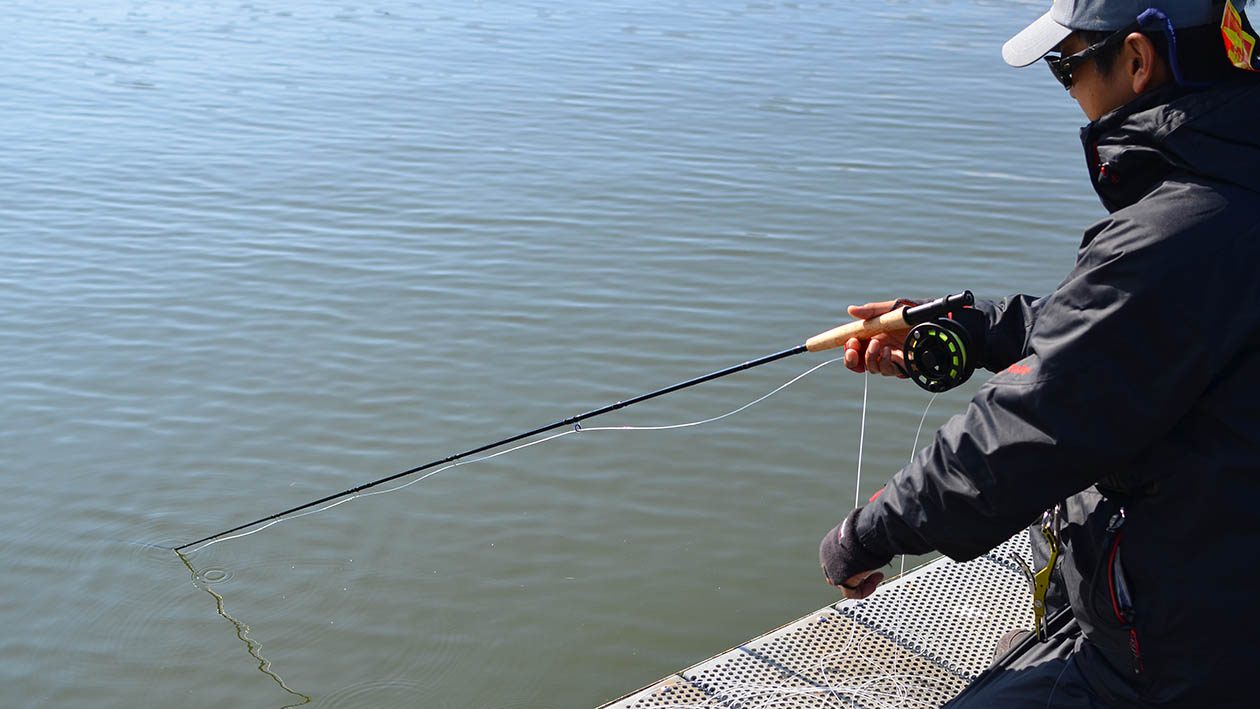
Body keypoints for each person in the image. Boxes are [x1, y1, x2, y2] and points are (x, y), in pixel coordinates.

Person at [817, 1, 1260, 706]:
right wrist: (978, 327)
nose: (1071, 91)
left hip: (1184, 655)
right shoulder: (1232, 190)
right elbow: (1136, 338)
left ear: (1138, 61)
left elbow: (1030, 425)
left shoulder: (1179, 228)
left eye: (1068, 64)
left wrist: (866, 533)